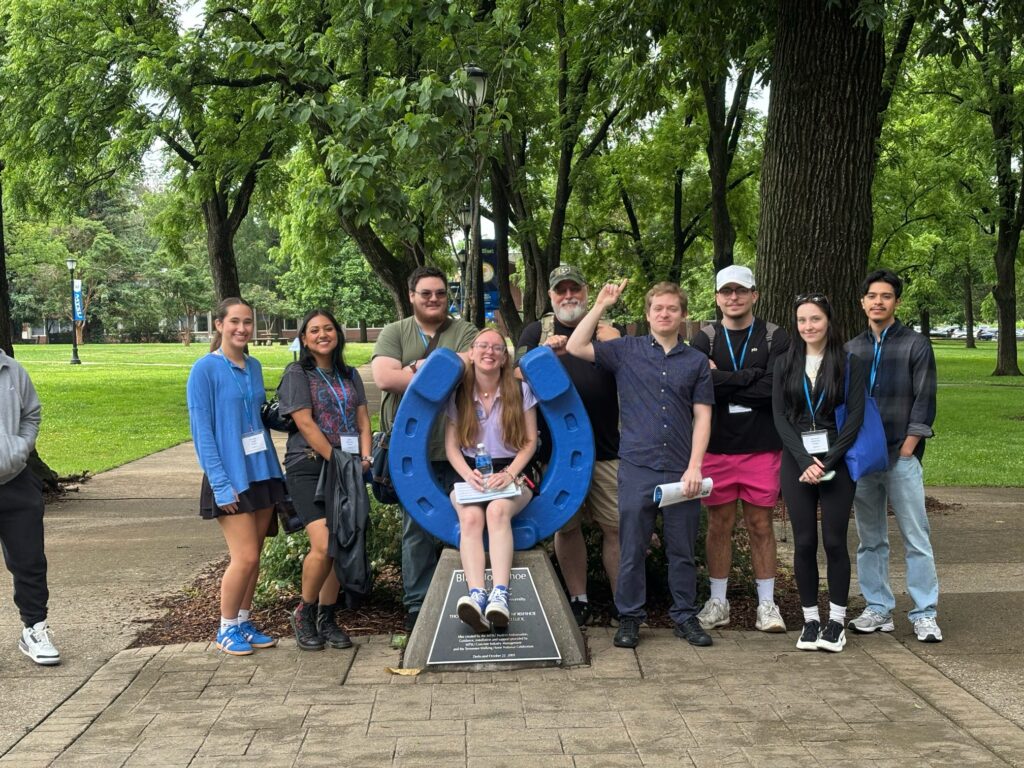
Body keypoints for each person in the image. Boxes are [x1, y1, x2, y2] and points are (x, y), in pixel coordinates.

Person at [566, 279, 714, 649]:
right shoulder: (625, 351)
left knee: (681, 549)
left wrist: (695, 466)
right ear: (647, 315)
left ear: (683, 315)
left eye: (672, 309)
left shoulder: (696, 362)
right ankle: (630, 617)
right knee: (631, 547)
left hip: (681, 469)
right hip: (636, 467)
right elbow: (575, 346)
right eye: (658, 308)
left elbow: (703, 417)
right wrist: (600, 304)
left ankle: (684, 617)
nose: (665, 314)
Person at [371, 266, 478, 631]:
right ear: (412, 295)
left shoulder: (463, 330)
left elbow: (475, 365)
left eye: (441, 293)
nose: (434, 299)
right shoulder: (395, 332)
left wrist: (416, 368)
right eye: (426, 293)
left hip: (456, 447)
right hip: (408, 452)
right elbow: (385, 377)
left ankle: (467, 596)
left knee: (467, 522)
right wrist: (444, 370)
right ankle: (418, 605)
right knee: (416, 528)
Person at [515, 264, 621, 626]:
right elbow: (514, 373)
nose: (568, 296)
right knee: (566, 526)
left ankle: (623, 604)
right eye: (561, 290)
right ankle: (579, 599)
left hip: (608, 448)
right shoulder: (536, 331)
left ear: (587, 293)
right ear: (550, 296)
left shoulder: (608, 332)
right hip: (556, 454)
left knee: (616, 527)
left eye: (575, 289)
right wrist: (544, 354)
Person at [691, 265, 789, 633]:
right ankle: (719, 602)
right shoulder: (705, 338)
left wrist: (726, 380)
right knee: (719, 524)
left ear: (754, 295)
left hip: (762, 448)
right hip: (716, 448)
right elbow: (703, 388)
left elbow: (773, 390)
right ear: (717, 297)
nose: (734, 297)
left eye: (741, 290)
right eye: (726, 291)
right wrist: (752, 376)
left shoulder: (775, 336)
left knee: (760, 524)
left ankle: (767, 604)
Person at [187, 297, 286, 656]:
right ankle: (226, 627)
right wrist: (220, 483)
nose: (242, 329)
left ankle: (244, 620)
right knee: (242, 557)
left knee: (255, 555)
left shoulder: (254, 365)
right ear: (219, 325)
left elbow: (254, 414)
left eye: (248, 322)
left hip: (262, 470)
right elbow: (203, 431)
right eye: (234, 322)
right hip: (230, 476)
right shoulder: (205, 370)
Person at [847, 270, 942, 642]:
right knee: (870, 538)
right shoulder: (851, 349)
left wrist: (907, 448)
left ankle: (924, 612)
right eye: (872, 296)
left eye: (886, 296)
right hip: (864, 459)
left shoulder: (916, 344)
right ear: (863, 302)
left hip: (900, 456)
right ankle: (878, 608)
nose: (878, 302)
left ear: (896, 302)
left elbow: (925, 399)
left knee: (916, 537)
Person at [772, 293, 865, 653]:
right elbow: (780, 417)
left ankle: (836, 622)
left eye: (815, 319)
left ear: (829, 321)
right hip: (797, 462)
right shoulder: (785, 363)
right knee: (805, 542)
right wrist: (803, 460)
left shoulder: (849, 363)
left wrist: (827, 463)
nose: (808, 326)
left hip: (836, 462)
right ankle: (811, 619)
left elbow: (854, 419)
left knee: (834, 542)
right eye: (802, 320)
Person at [277, 309, 372, 651]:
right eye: (314, 330)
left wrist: (364, 457)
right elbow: (304, 423)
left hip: (346, 466)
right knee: (324, 543)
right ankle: (304, 612)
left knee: (342, 542)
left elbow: (363, 420)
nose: (322, 334)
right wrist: (338, 460)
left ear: (337, 334)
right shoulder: (297, 373)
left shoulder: (350, 375)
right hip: (310, 465)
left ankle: (327, 618)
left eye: (328, 328)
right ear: (304, 339)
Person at [445, 328, 538, 632]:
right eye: (482, 346)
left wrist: (510, 473)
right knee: (471, 518)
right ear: (471, 353)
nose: (489, 351)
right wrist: (466, 474)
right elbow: (451, 446)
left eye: (497, 348)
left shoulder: (520, 391)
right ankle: (475, 595)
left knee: (498, 511)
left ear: (503, 358)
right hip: (471, 473)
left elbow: (529, 443)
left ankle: (500, 595)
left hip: (513, 472)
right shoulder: (459, 394)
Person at [0, 348, 59, 666]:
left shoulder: (12, 370)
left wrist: (20, 449)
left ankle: (34, 629)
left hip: (16, 481)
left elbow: (31, 414)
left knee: (30, 561)